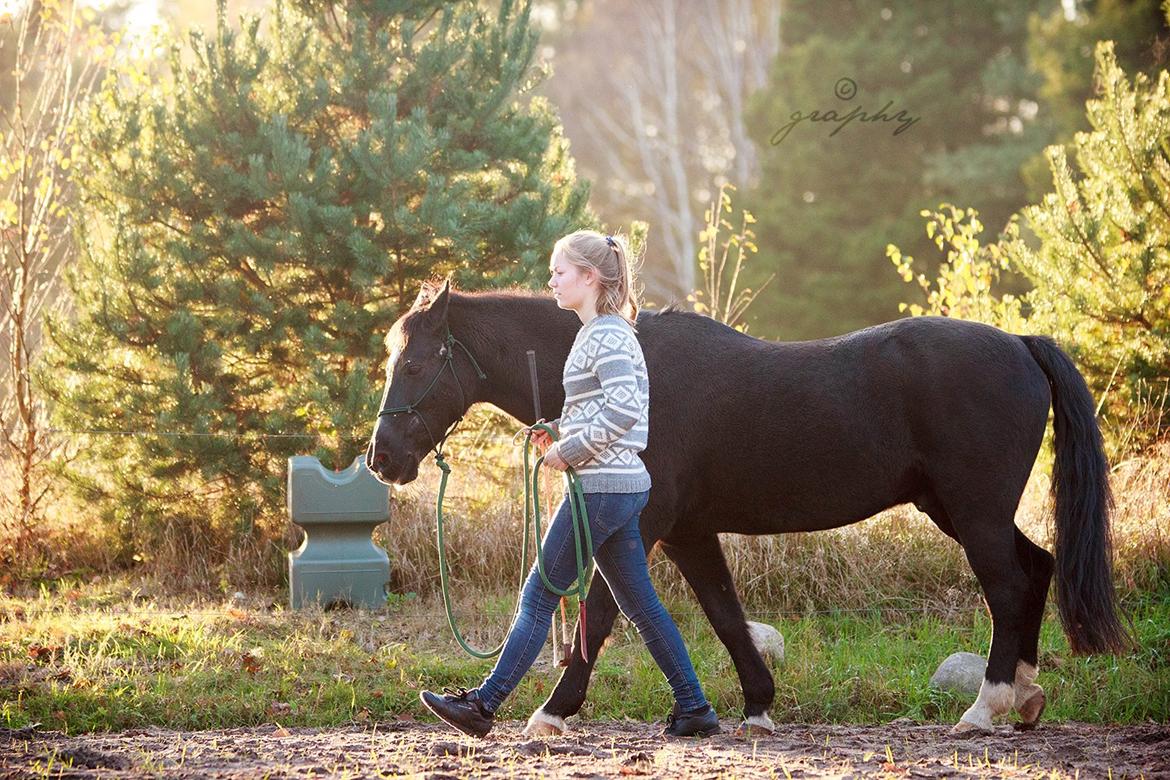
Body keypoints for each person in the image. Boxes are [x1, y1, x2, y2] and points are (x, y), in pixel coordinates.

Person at [419, 229, 719, 739]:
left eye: (560, 272)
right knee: (641, 605)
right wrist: (559, 430)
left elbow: (626, 409)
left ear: (590, 277)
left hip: (601, 488)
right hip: (616, 487)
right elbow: (603, 406)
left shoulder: (605, 334)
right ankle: (694, 709)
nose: (551, 280)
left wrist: (569, 451)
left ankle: (484, 705)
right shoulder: (602, 331)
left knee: (538, 595)